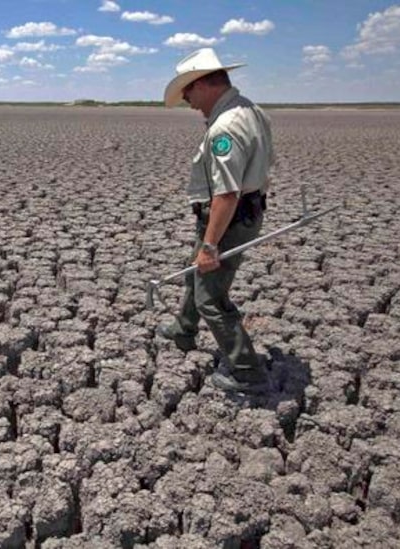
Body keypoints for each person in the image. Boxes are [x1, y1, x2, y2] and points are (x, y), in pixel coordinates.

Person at [158, 48, 275, 394]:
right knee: (196, 271)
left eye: (189, 93)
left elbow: (227, 194)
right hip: (239, 213)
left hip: (228, 219)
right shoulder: (251, 110)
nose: (189, 102)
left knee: (211, 295)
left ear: (204, 84)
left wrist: (210, 244)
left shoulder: (226, 127)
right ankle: (184, 328)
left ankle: (246, 371)